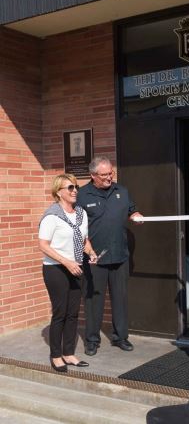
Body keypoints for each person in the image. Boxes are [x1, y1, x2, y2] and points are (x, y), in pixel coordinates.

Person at [77, 156, 143, 356]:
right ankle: (92, 340)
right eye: (104, 175)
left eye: (110, 173)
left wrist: (136, 215)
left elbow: (132, 210)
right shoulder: (82, 195)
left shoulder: (121, 191)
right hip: (94, 258)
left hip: (120, 255)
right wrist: (87, 250)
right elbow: (77, 227)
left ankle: (120, 338)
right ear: (93, 175)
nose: (109, 177)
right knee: (93, 300)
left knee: (120, 299)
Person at [39, 174, 96, 372]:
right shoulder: (52, 215)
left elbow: (84, 239)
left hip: (77, 266)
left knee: (73, 314)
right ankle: (56, 356)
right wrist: (66, 261)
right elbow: (43, 245)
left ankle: (69, 353)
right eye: (70, 187)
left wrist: (91, 252)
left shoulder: (81, 213)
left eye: (76, 187)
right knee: (60, 313)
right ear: (58, 192)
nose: (75, 191)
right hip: (56, 269)